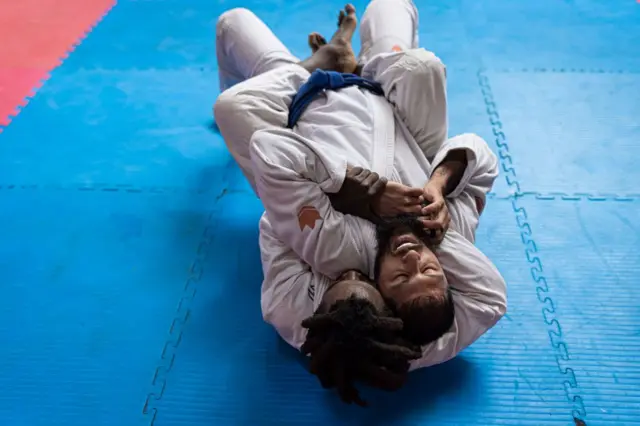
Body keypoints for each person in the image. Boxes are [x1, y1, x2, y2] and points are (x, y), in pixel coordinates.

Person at [214, 0, 507, 403]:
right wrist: (434, 200)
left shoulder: (310, 283)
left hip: (301, 112)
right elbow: (490, 298)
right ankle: (361, 64)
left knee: (233, 38)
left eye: (401, 277)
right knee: (406, 38)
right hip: (387, 109)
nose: (411, 260)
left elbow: (274, 218)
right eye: (427, 270)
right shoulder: (440, 241)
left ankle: (315, 63)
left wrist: (346, 197)